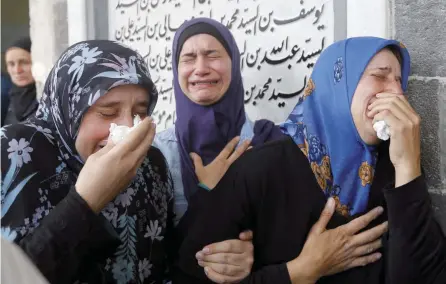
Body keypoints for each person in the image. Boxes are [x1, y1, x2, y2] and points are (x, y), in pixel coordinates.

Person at [175, 37, 446, 283]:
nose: (396, 94)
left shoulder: (394, 167)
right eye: (380, 76)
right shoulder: (261, 169)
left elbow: (424, 276)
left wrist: (409, 166)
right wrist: (297, 272)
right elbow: (187, 274)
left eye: (400, 81)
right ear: (336, 85)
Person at [1, 40, 174, 283]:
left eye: (140, 112)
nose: (127, 127)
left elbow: (168, 262)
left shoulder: (151, 163)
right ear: (69, 108)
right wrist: (85, 202)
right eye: (108, 112)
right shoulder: (16, 152)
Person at [154, 18, 284, 282]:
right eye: (189, 58)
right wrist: (208, 192)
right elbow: (151, 254)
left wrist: (252, 253)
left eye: (212, 55)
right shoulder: (157, 155)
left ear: (234, 64)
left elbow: (289, 232)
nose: (200, 68)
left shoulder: (268, 142)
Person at [3, 36, 38, 125]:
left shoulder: (50, 100)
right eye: (11, 64)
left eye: (24, 62)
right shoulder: (7, 100)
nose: (17, 70)